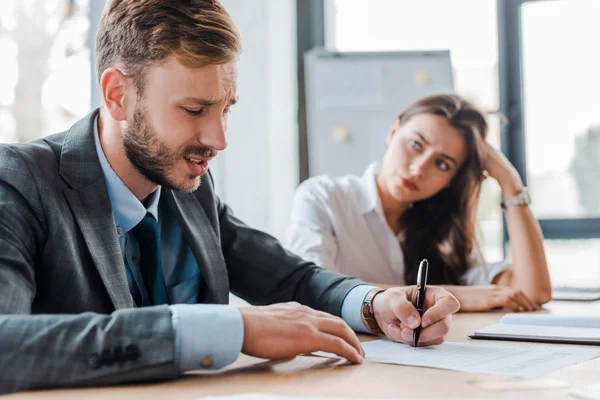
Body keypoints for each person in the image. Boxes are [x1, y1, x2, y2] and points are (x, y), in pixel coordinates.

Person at [0, 0, 460, 395]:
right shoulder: (19, 182)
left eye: (226, 110)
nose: (218, 139)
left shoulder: (187, 187)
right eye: (195, 110)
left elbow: (290, 279)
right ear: (118, 94)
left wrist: (374, 305)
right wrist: (231, 328)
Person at [287, 94, 552, 313]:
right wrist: (452, 296)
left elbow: (532, 292)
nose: (418, 169)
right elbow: (315, 292)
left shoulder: (442, 231)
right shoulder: (323, 197)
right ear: (393, 132)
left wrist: (509, 181)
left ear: (450, 180)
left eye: (442, 163)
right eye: (415, 144)